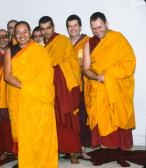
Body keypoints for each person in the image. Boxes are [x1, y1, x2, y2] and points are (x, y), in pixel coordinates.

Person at [82, 12, 136, 167]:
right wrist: (98, 78)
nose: (97, 31)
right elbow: (85, 69)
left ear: (106, 23)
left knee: (118, 121)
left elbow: (129, 63)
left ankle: (120, 156)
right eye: (94, 28)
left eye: (100, 27)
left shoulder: (118, 39)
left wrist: (109, 76)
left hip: (116, 88)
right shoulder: (89, 43)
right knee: (100, 122)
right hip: (98, 89)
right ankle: (103, 154)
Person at [4, 21, 58, 168]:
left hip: (39, 99)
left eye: (25, 31)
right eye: (18, 33)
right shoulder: (11, 51)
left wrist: (31, 88)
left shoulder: (39, 50)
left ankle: (43, 163)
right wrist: (26, 87)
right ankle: (27, 163)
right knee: (25, 134)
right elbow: (7, 76)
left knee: (41, 132)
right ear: (14, 35)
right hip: (20, 97)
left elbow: (48, 75)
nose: (22, 35)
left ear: (30, 32)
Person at [39, 16, 81, 164]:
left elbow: (70, 62)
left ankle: (73, 151)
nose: (46, 31)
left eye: (48, 28)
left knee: (68, 117)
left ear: (53, 27)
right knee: (53, 119)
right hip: (50, 87)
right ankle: (56, 149)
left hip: (64, 86)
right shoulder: (42, 47)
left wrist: (55, 70)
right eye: (43, 29)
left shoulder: (61, 40)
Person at [66, 14, 91, 160]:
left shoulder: (87, 41)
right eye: (70, 26)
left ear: (80, 26)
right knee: (70, 119)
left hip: (83, 85)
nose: (73, 28)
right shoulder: (64, 42)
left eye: (75, 25)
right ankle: (70, 148)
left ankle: (81, 149)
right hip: (69, 87)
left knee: (82, 118)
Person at [0, 29, 14, 160]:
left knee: (13, 123)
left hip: (12, 93)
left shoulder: (14, 53)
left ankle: (15, 149)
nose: (2, 39)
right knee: (1, 125)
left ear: (9, 38)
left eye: (5, 36)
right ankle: (4, 150)